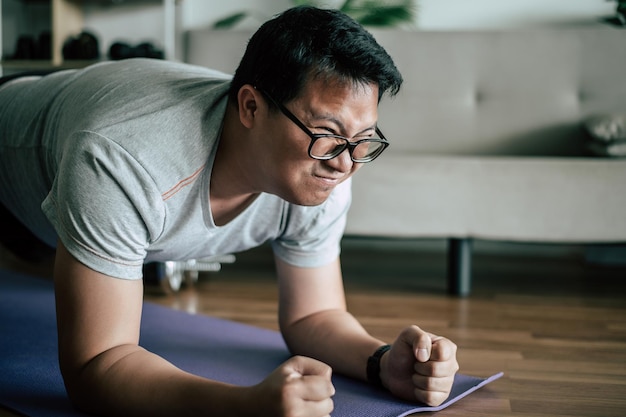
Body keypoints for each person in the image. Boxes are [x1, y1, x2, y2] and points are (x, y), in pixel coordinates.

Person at [0, 6, 458, 417]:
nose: (343, 163)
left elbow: (312, 316)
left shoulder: (327, 167)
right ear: (251, 107)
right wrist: (242, 407)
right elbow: (96, 366)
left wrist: (381, 363)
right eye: (328, 132)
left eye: (362, 140)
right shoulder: (122, 162)